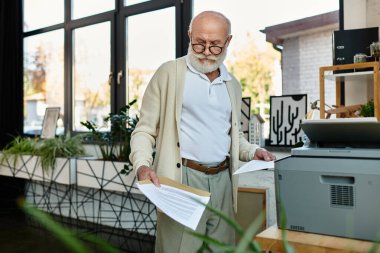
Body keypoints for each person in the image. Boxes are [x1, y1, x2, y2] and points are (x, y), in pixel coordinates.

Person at [130, 10, 276, 253]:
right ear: (189, 36)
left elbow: (233, 136)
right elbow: (144, 130)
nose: (207, 51)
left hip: (223, 181)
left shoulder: (232, 84)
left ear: (228, 41)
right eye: (199, 43)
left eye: (215, 45)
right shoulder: (169, 73)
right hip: (183, 179)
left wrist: (254, 151)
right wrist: (142, 165)